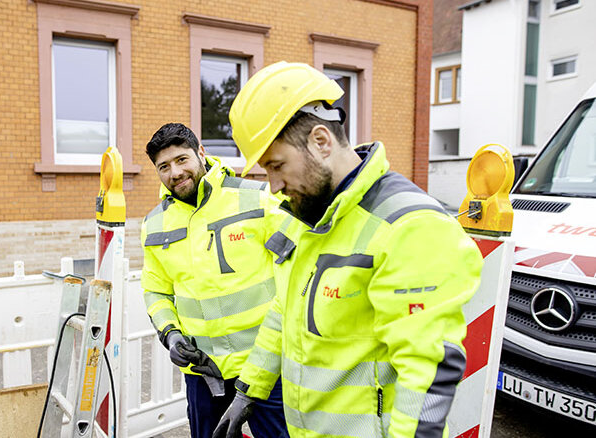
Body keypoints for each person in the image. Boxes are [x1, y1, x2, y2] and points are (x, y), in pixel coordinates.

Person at [213, 62, 483, 438]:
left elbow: (427, 371)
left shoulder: (410, 226)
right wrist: (250, 390)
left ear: (321, 141)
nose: (272, 186)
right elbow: (283, 313)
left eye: (277, 166)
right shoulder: (304, 216)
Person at [140, 123, 289, 438]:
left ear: (202, 154)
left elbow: (296, 273)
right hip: (203, 370)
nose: (175, 172)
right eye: (163, 167)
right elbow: (156, 291)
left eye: (182, 160)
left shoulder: (258, 200)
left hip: (266, 366)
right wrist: (171, 335)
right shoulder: (154, 224)